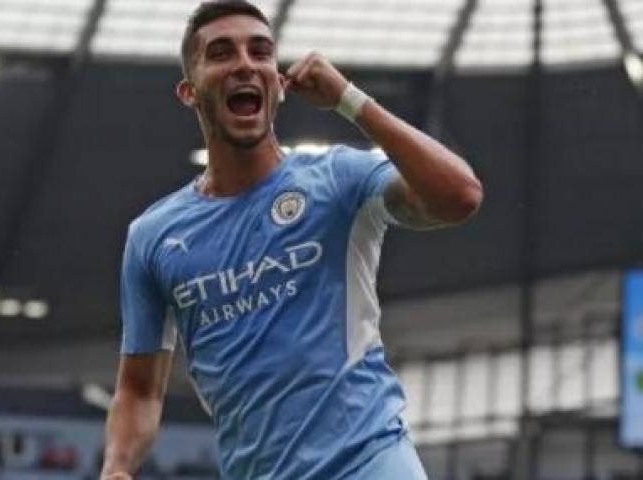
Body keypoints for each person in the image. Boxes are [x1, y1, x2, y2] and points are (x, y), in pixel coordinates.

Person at [101, 1, 483, 478]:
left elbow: (460, 196)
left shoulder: (339, 180)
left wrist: (349, 98)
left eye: (261, 52)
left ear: (278, 84)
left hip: (371, 463)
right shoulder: (153, 238)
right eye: (221, 53)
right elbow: (139, 390)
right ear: (189, 91)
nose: (245, 63)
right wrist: (116, 467)